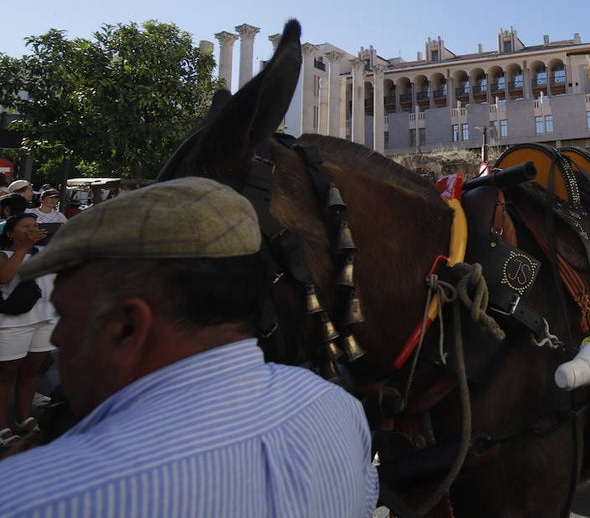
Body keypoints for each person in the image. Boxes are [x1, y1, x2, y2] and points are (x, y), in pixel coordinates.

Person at [0, 177, 379, 517]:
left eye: (66, 316)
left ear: (128, 326)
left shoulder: (33, 498)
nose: (56, 338)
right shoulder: (336, 409)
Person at [0, 214, 52, 449]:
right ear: (10, 233)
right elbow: (4, 277)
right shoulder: (5, 254)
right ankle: (2, 426)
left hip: (44, 319)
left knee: (31, 371)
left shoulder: (46, 252)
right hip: (13, 323)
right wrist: (22, 248)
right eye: (25, 227)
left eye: (35, 226)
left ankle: (24, 418)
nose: (32, 229)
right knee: (5, 376)